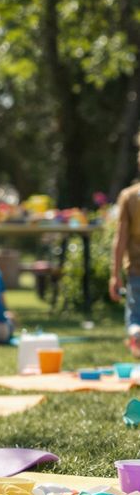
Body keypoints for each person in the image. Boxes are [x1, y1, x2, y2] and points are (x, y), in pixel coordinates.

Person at [110, 152, 140, 356]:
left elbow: (120, 239)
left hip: (136, 269)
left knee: (136, 318)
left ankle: (136, 335)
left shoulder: (129, 197)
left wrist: (115, 274)